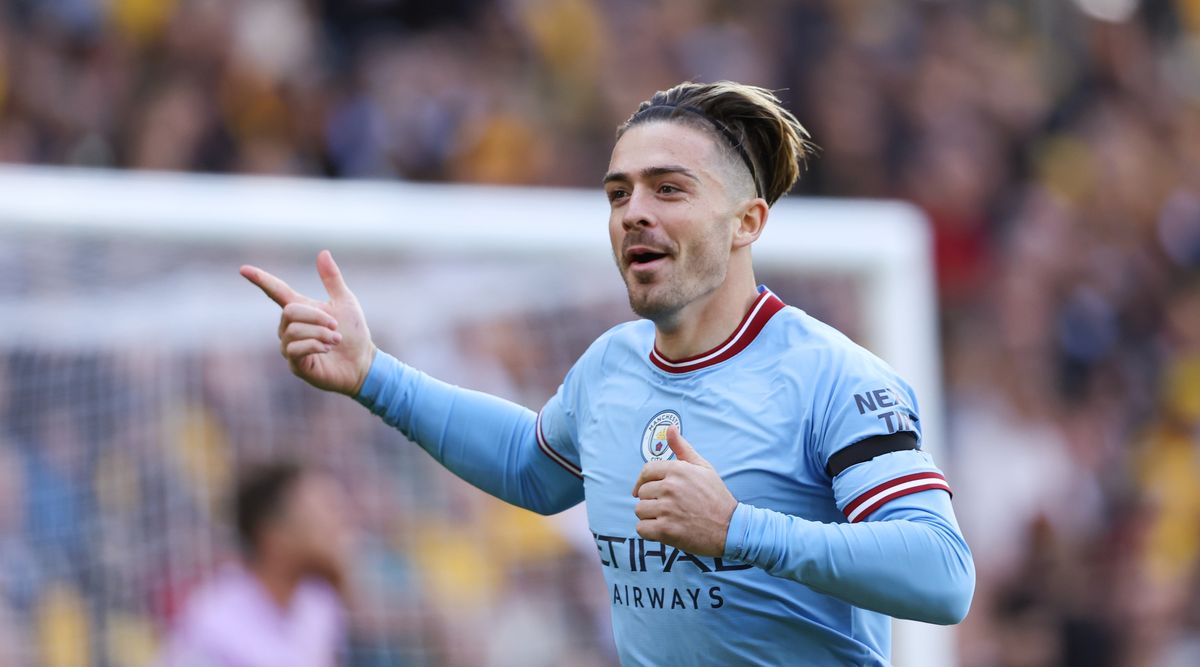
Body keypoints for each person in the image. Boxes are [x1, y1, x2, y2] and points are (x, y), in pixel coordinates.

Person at [241, 80, 975, 666]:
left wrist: (737, 530)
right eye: (619, 192)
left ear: (747, 222)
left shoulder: (832, 376)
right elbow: (530, 466)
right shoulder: (612, 365)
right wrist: (372, 374)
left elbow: (943, 575)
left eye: (669, 188)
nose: (633, 212)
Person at [157, 462, 352, 667]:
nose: (341, 527)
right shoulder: (215, 625)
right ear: (276, 536)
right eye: (328, 512)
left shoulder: (318, 604)